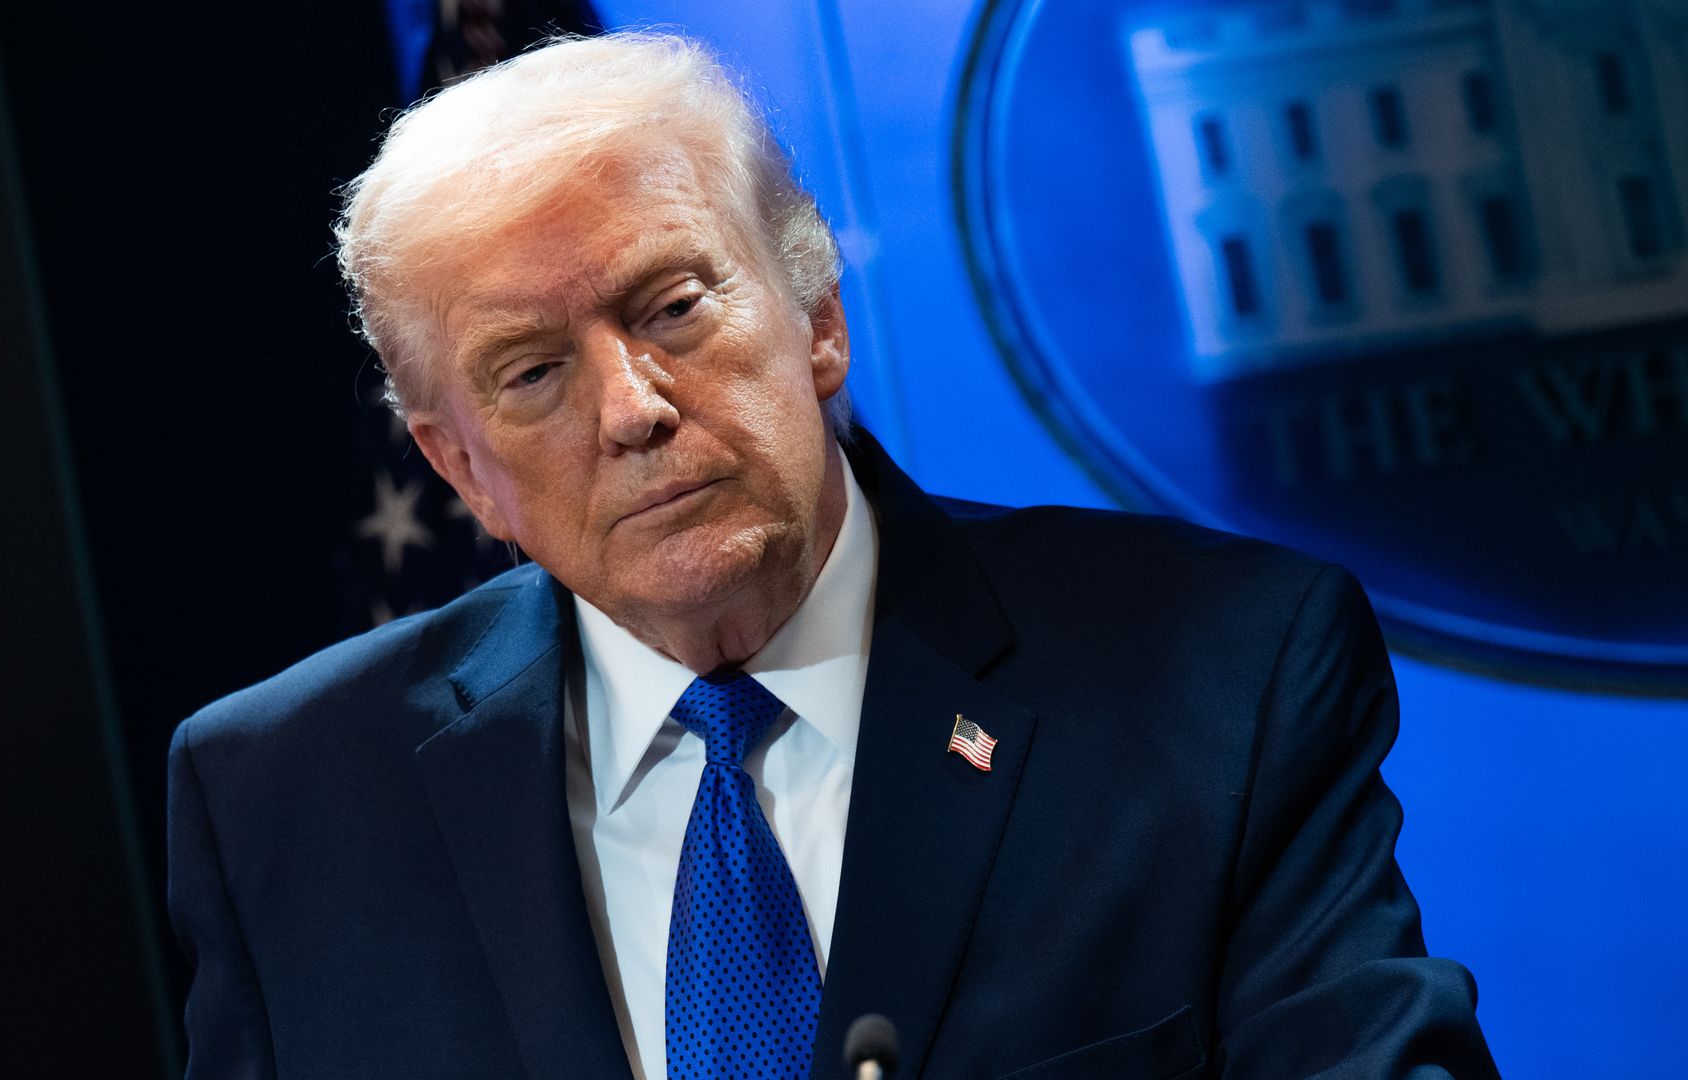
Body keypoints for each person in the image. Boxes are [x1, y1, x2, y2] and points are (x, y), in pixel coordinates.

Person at [167, 31, 1500, 1080]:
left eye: (673, 307)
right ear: (460, 467)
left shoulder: (1220, 676)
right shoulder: (288, 805)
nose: (632, 409)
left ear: (815, 315)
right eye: (529, 373)